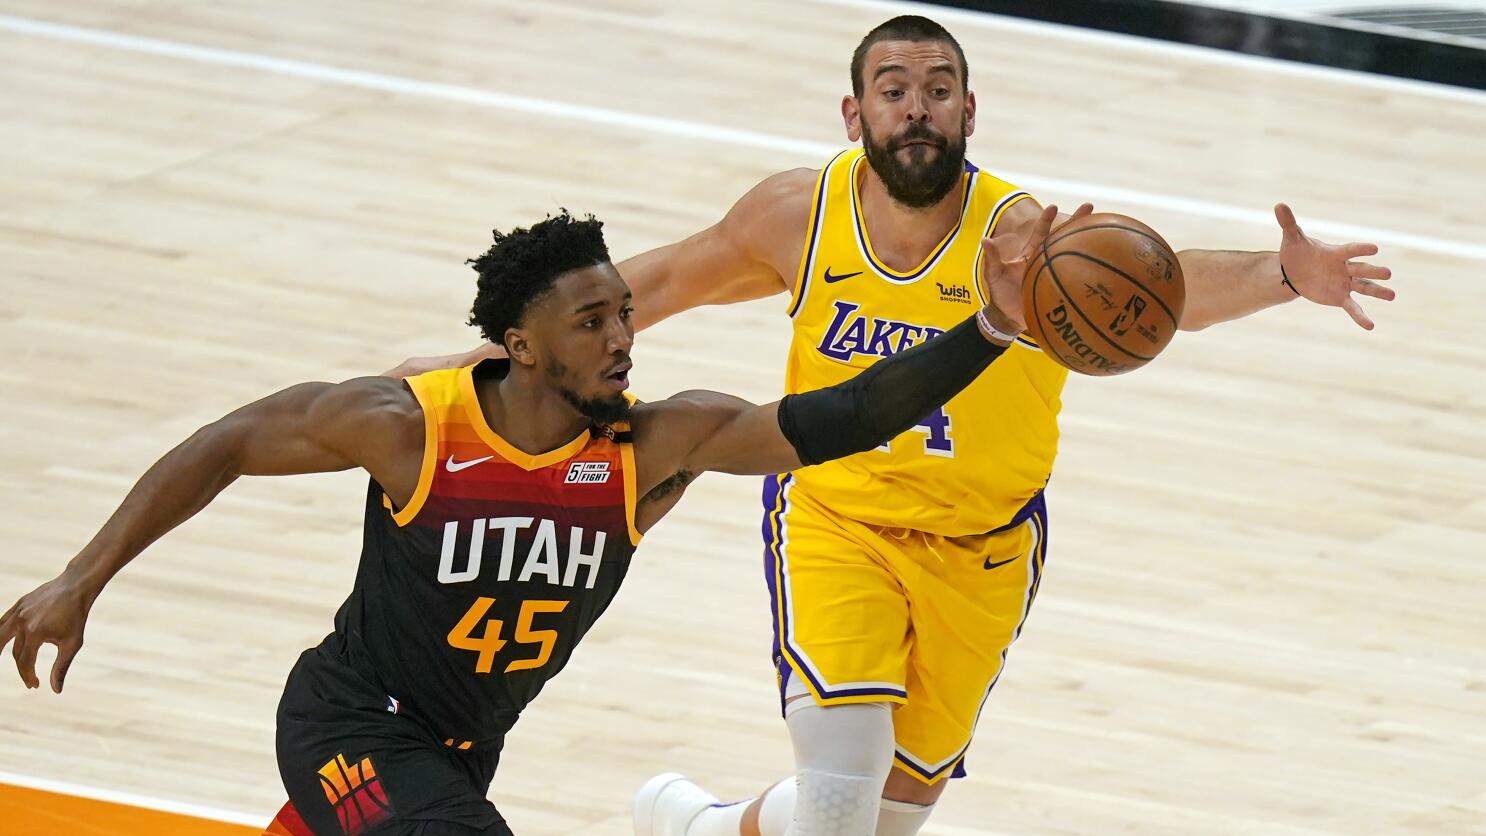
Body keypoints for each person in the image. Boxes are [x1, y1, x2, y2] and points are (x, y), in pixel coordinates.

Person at [388, 17, 1395, 836]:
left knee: (880, 820)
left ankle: (689, 823)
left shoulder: (1023, 240)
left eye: (937, 86)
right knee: (835, 803)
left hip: (983, 548)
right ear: (854, 109)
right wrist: (482, 361)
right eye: (894, 86)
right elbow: (650, 285)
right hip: (838, 520)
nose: (917, 105)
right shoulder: (798, 214)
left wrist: (1278, 276)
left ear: (969, 108)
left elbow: (1156, 287)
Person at [0, 206, 1055, 836]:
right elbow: (226, 441)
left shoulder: (650, 447)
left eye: (623, 314)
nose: (620, 338)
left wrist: (993, 324)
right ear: (521, 341)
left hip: (464, 742)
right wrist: (79, 580)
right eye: (589, 322)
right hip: (351, 720)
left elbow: (846, 415)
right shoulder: (411, 427)